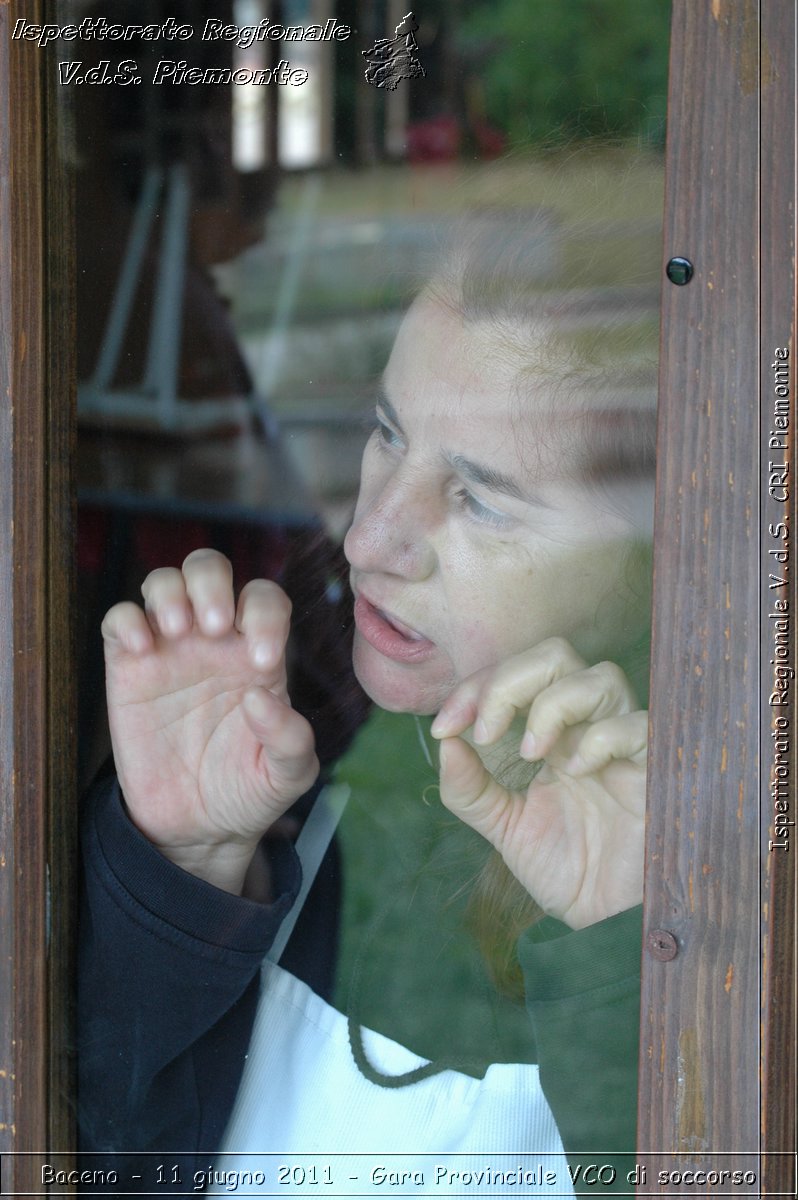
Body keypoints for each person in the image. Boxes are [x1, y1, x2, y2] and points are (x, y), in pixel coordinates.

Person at [79, 221, 656, 1194]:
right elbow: (109, 1157)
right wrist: (180, 871)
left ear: (643, 569)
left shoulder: (724, 894)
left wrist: (627, 968)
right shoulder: (303, 781)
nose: (370, 534)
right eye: (387, 433)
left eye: (479, 499)